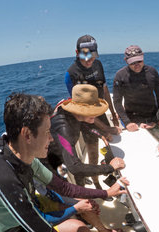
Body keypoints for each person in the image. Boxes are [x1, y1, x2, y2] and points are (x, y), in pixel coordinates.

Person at [0, 93, 128, 232]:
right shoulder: (3, 177)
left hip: (36, 204)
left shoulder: (26, 156)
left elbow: (63, 187)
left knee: (83, 211)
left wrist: (105, 193)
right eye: (47, 132)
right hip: (18, 228)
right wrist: (75, 208)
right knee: (77, 225)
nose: (51, 139)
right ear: (27, 135)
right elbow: (38, 225)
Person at [65, 34, 121, 187]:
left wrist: (114, 117)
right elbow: (80, 109)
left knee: (110, 138)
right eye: (85, 54)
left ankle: (110, 169)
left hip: (100, 109)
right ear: (77, 53)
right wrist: (105, 127)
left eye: (93, 55)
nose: (90, 59)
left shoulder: (98, 64)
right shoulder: (71, 74)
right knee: (93, 149)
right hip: (84, 116)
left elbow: (104, 88)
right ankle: (96, 181)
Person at [46, 84, 126, 188]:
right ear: (80, 111)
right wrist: (110, 167)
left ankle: (82, 182)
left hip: (66, 149)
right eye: (92, 111)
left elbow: (86, 127)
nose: (96, 115)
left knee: (79, 172)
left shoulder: (73, 115)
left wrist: (102, 135)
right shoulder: (63, 127)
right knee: (69, 182)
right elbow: (75, 168)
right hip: (52, 162)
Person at [113, 45, 159, 134]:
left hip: (152, 118)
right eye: (132, 63)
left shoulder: (152, 72)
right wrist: (127, 122)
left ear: (143, 56)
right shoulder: (120, 75)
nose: (137, 65)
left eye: (139, 61)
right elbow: (117, 101)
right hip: (132, 120)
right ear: (126, 61)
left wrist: (158, 118)